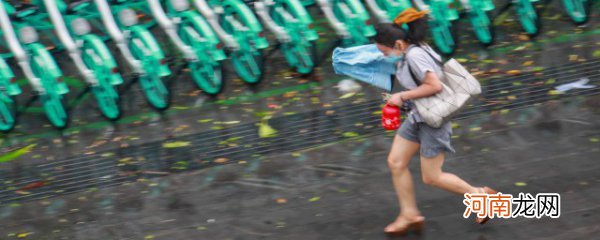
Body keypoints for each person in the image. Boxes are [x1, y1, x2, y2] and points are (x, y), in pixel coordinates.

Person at [373, 8, 498, 236]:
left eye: (385, 52)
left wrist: (402, 96)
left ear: (399, 45)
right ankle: (409, 214)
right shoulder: (413, 48)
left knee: (432, 177)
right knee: (396, 162)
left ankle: (480, 195)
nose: (384, 56)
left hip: (432, 121)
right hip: (418, 116)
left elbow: (434, 85)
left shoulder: (414, 55)